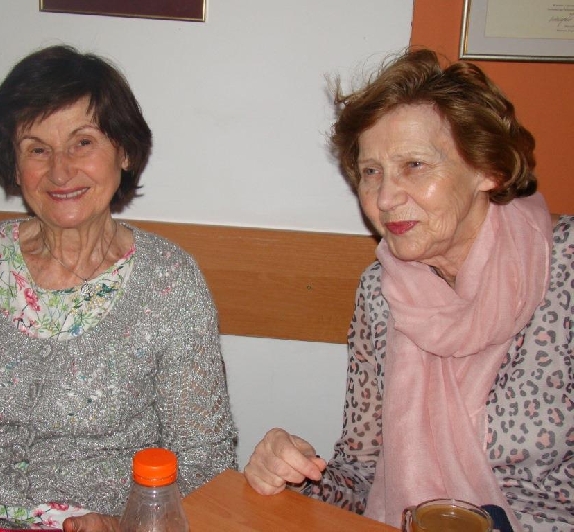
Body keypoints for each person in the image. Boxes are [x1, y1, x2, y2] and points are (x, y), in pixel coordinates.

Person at [0, 44, 237, 532]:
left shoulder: (171, 283)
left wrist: (124, 525)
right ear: (14, 163)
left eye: (82, 142)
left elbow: (205, 462)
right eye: (37, 149)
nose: (60, 171)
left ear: (124, 151)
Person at [244, 48, 572, 532]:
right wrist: (295, 475)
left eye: (414, 164)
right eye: (371, 171)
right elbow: (361, 473)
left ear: (488, 169)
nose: (384, 197)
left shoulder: (564, 269)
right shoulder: (380, 294)